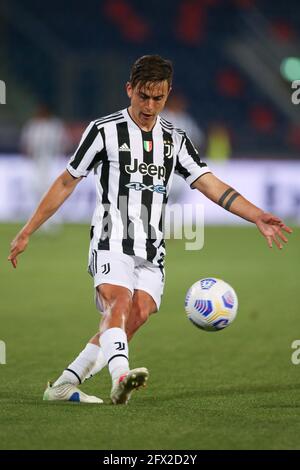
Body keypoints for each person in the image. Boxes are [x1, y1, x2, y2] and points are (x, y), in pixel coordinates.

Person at [8, 55, 292, 405]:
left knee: (137, 314)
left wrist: (257, 215)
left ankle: (65, 385)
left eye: (158, 97)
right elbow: (67, 181)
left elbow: (209, 184)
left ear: (168, 93)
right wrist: (27, 231)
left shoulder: (174, 139)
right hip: (111, 239)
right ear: (129, 89)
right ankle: (121, 378)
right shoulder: (104, 131)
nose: (150, 105)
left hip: (152, 249)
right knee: (119, 302)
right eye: (143, 96)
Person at [20, 104, 69, 232]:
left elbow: (64, 143)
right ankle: (39, 220)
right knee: (36, 189)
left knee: (51, 190)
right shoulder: (33, 125)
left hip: (51, 160)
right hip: (36, 162)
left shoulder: (54, 126)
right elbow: (26, 144)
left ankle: (54, 220)